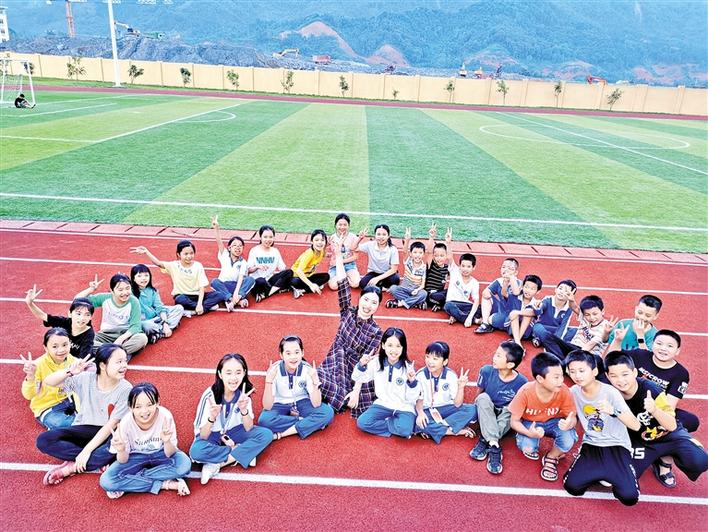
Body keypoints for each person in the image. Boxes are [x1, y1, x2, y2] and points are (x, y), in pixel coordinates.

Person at [608, 328, 699, 485]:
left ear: (677, 351)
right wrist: (617, 340)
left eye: (669, 346)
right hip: (630, 405)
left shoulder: (680, 373)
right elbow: (612, 362)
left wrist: (653, 414)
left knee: (689, 421)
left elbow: (670, 405)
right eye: (659, 343)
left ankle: (664, 459)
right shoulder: (639, 355)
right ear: (653, 345)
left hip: (655, 409)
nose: (663, 348)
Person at [36, 344, 131, 485]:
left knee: (118, 446)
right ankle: (98, 460)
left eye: (125, 361)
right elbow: (49, 382)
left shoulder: (126, 388)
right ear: (103, 365)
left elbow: (111, 425)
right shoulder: (85, 378)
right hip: (84, 429)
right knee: (44, 440)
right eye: (119, 362)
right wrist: (70, 371)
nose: (124, 366)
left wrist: (86, 452)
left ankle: (71, 467)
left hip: (108, 433)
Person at [563, 350, 641, 506]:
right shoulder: (573, 392)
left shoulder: (610, 392)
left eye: (582, 370)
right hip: (592, 444)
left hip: (617, 445)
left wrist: (614, 411)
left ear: (594, 371)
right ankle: (601, 473)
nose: (577, 375)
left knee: (629, 497)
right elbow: (569, 414)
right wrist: (569, 422)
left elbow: (636, 425)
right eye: (573, 371)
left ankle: (606, 473)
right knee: (572, 487)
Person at [317, 243, 383, 418]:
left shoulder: (377, 331)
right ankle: (330, 401)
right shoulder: (347, 310)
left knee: (350, 396)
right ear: (360, 299)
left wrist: (356, 390)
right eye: (366, 300)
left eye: (374, 303)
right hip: (335, 359)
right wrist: (339, 255)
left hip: (353, 370)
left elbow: (365, 362)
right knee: (315, 378)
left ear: (378, 306)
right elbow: (342, 283)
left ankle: (337, 399)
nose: (368, 305)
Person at [189, 354, 272, 484]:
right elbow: (203, 435)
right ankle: (241, 451)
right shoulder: (210, 396)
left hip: (234, 431)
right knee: (196, 452)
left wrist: (244, 410)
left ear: (244, 373)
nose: (233, 378)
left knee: (266, 435)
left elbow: (248, 427)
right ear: (220, 374)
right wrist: (212, 417)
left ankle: (217, 464)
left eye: (238, 373)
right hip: (213, 435)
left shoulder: (244, 394)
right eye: (228, 373)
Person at [99, 382, 191, 499]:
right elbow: (123, 460)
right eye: (138, 407)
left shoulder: (165, 416)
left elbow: (170, 453)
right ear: (130, 407)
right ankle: (165, 484)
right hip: (135, 456)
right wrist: (121, 450)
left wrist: (167, 441)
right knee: (107, 481)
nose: (144, 411)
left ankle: (135, 479)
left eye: (149, 405)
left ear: (157, 402)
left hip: (161, 453)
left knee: (184, 465)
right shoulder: (125, 423)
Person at [508, 352, 577, 482]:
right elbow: (514, 421)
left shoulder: (564, 391)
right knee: (528, 448)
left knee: (568, 440)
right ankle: (530, 440)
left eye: (562, 375)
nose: (561, 381)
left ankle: (552, 456)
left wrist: (570, 424)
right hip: (532, 423)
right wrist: (529, 433)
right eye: (556, 377)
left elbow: (572, 418)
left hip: (555, 422)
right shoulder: (525, 392)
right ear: (540, 379)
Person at [259, 335, 334, 439]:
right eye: (288, 353)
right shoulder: (274, 371)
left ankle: (281, 434)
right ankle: (305, 421)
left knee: (327, 413)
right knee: (264, 421)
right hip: (280, 403)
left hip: (301, 401)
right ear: (281, 355)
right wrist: (268, 382)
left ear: (302, 353)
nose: (293, 357)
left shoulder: (307, 369)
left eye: (297, 352)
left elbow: (316, 404)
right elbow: (267, 406)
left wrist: (315, 381)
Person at [470, 341, 528, 475]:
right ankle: (494, 445)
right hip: (487, 410)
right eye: (495, 354)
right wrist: (475, 411)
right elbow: (479, 393)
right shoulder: (486, 371)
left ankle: (487, 439)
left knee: (511, 409)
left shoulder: (522, 382)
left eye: (498, 356)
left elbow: (519, 409)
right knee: (482, 398)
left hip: (504, 415)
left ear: (510, 365)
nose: (494, 358)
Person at [353, 327, 420, 438]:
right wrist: (361, 365)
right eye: (390, 345)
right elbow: (359, 377)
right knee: (362, 422)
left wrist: (412, 382)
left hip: (403, 407)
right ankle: (394, 425)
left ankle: (392, 424)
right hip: (383, 404)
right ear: (383, 345)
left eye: (398, 346)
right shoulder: (376, 362)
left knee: (405, 430)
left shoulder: (408, 368)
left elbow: (412, 398)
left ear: (403, 348)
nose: (394, 350)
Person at [131, 240, 229, 315]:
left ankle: (195, 310)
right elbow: (158, 263)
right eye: (185, 254)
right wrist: (146, 252)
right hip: (183, 296)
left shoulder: (198, 265)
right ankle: (204, 308)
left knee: (219, 295)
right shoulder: (174, 265)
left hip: (197, 296)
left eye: (191, 253)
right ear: (179, 254)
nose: (189, 256)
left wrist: (199, 304)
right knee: (180, 300)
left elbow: (201, 287)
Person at [414, 341, 477, 444]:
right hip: (427, 410)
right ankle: (454, 431)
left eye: (435, 359)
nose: (430, 361)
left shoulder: (451, 376)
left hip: (447, 408)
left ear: (444, 361)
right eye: (427, 357)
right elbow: (416, 400)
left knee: (473, 409)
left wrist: (461, 387)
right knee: (417, 421)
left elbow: (457, 404)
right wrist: (420, 413)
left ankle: (436, 429)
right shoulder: (420, 375)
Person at [75, 273, 148, 358]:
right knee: (85, 341)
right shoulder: (105, 298)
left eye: (127, 288)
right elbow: (77, 301)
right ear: (112, 290)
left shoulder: (133, 301)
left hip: (126, 335)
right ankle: (118, 353)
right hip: (106, 334)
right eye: (120, 290)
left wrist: (121, 339)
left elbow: (136, 326)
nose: (125, 292)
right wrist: (91, 289)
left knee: (142, 339)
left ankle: (107, 353)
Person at [536, 294, 616, 368]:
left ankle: (564, 364)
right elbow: (574, 308)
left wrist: (574, 357)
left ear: (602, 312)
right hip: (572, 348)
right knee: (547, 337)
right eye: (587, 315)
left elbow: (589, 346)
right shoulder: (585, 318)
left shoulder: (605, 327)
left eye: (595, 314)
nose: (591, 318)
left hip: (588, 355)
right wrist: (571, 300)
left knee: (561, 353)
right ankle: (566, 364)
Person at [21, 328, 78, 430]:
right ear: (46, 348)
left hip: (69, 400)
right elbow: (28, 396)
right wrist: (30, 376)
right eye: (55, 346)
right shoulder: (37, 365)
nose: (61, 350)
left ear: (70, 344)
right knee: (64, 424)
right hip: (47, 407)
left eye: (65, 345)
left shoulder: (72, 360)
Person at [25, 284, 95, 358]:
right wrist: (30, 303)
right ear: (70, 314)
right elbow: (42, 315)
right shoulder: (64, 322)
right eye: (78, 314)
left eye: (87, 315)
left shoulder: (89, 335)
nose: (82, 318)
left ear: (91, 317)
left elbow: (83, 359)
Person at [209, 215, 255, 310]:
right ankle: (234, 300)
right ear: (229, 248)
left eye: (240, 246)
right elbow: (219, 241)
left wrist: (236, 294)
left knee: (250, 280)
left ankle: (232, 300)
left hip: (236, 286)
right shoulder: (224, 255)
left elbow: (241, 279)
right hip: (224, 285)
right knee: (214, 282)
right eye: (235, 245)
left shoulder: (243, 262)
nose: (238, 248)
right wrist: (216, 228)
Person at [130, 264, 183, 344]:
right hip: (145, 321)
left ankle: (159, 333)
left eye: (146, 275)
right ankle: (167, 328)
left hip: (156, 317)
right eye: (139, 276)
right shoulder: (130, 293)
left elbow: (160, 308)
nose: (144, 278)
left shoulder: (152, 290)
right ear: (133, 278)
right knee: (146, 326)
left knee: (179, 308)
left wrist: (165, 323)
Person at [524, 279, 576, 348]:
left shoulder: (569, 308)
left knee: (574, 331)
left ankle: (541, 340)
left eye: (566, 291)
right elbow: (539, 311)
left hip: (556, 329)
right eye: (560, 288)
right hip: (543, 326)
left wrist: (558, 339)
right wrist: (537, 307)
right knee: (537, 327)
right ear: (556, 289)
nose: (562, 292)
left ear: (571, 295)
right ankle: (553, 341)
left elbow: (564, 325)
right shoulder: (548, 299)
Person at [475, 258, 522, 334]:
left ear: (516, 272)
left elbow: (515, 293)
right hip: (503, 310)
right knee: (486, 298)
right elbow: (485, 293)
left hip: (514, 314)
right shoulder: (499, 281)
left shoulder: (519, 283)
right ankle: (485, 324)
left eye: (510, 268)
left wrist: (510, 278)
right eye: (503, 267)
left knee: (492, 319)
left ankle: (506, 326)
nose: (505, 270)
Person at [442, 236, 480, 327]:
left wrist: (469, 317)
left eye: (468, 266)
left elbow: (476, 300)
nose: (465, 269)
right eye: (463, 266)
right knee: (448, 306)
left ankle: (457, 316)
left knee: (480, 309)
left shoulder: (475, 283)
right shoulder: (455, 271)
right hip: (452, 303)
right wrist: (448, 243)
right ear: (459, 266)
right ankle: (475, 320)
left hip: (465, 304)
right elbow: (450, 257)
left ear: (473, 267)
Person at [285, 229, 331, 299]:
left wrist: (336, 253)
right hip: (296, 277)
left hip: (308, 276)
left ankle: (301, 290)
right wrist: (311, 285)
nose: (320, 242)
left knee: (326, 276)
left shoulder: (321, 250)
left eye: (322, 240)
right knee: (295, 282)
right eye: (316, 240)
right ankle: (305, 288)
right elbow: (299, 271)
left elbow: (326, 254)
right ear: (312, 241)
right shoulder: (309, 254)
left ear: (325, 242)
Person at [387, 229, 427, 309]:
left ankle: (400, 304)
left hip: (415, 291)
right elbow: (404, 252)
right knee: (393, 289)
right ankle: (415, 303)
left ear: (423, 254)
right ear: (411, 254)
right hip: (404, 289)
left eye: (420, 253)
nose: (417, 255)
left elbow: (423, 285)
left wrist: (417, 290)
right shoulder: (408, 261)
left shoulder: (424, 267)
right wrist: (407, 240)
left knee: (424, 294)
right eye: (415, 252)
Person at [246, 225, 288, 302]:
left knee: (289, 272)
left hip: (270, 280)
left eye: (270, 237)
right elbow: (248, 270)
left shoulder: (275, 251)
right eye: (265, 237)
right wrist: (257, 267)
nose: (268, 240)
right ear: (260, 237)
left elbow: (282, 269)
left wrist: (287, 276)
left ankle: (266, 294)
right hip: (257, 281)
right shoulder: (254, 250)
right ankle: (275, 290)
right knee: (261, 281)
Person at [354, 224, 400, 291]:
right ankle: (383, 288)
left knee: (395, 279)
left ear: (388, 236)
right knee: (362, 283)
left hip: (387, 273)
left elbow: (394, 269)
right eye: (378, 234)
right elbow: (354, 248)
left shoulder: (393, 249)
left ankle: (377, 286)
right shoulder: (370, 244)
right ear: (375, 236)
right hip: (374, 273)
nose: (381, 237)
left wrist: (377, 279)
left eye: (384, 234)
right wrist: (359, 239)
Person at [327, 213, 362, 290]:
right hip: (335, 267)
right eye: (340, 224)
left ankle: (345, 277)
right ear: (335, 225)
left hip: (349, 265)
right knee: (333, 286)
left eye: (345, 225)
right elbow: (330, 252)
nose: (342, 227)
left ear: (348, 225)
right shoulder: (332, 238)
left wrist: (340, 261)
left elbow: (355, 256)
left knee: (356, 284)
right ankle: (344, 277)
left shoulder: (353, 237)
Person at [421, 223, 450, 312]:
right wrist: (431, 237)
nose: (439, 258)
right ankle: (438, 304)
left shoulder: (447, 268)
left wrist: (448, 243)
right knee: (436, 296)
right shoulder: (431, 265)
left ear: (446, 256)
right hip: (429, 294)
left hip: (439, 293)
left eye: (442, 255)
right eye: (436, 255)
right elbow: (429, 252)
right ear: (433, 256)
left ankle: (439, 305)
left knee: (451, 291)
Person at [508, 274, 543, 344]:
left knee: (527, 314)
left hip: (526, 332)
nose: (528, 290)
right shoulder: (515, 296)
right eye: (526, 287)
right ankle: (517, 342)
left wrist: (517, 312)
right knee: (515, 315)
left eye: (532, 289)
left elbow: (535, 313)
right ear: (522, 286)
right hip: (512, 327)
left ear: (538, 291)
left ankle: (517, 341)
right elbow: (505, 294)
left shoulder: (536, 303)